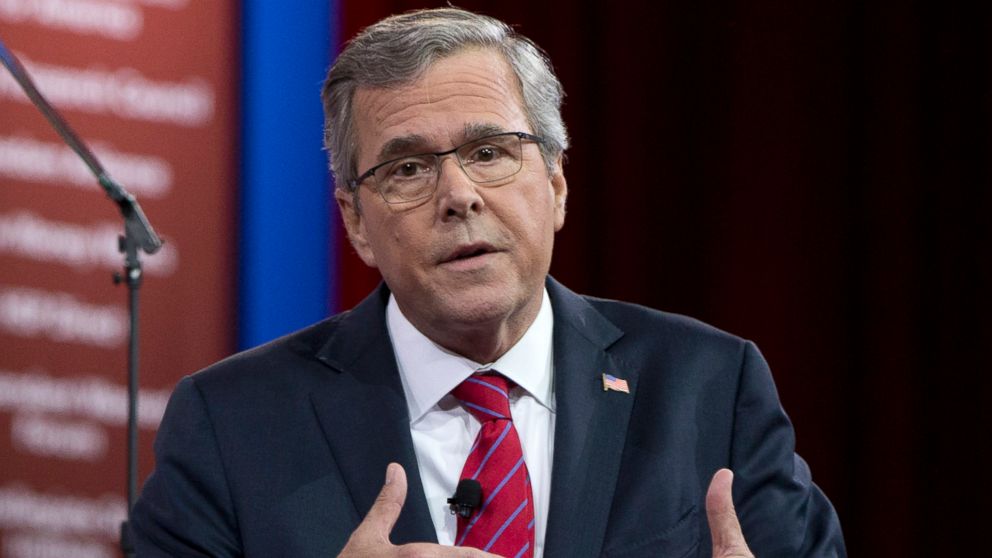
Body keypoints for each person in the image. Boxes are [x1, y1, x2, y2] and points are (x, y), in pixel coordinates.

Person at [132, 8, 845, 557]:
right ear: (355, 221)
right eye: (407, 168)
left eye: (490, 151)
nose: (459, 194)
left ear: (557, 184)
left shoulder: (709, 387)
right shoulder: (232, 423)